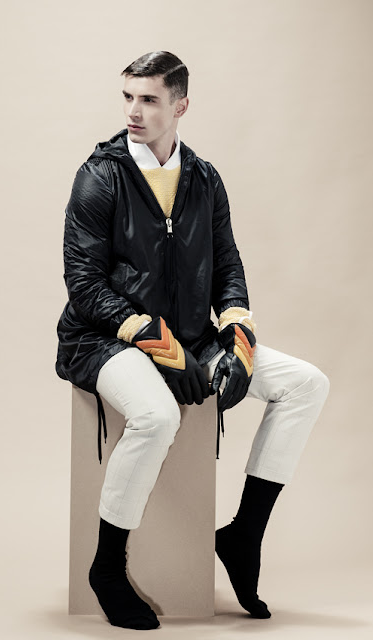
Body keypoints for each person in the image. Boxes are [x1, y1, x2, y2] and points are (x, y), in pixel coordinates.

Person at [55, 51, 330, 630]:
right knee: (157, 415)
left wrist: (238, 339)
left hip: (191, 335)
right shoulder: (100, 175)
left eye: (149, 99)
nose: (133, 111)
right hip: (102, 338)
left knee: (307, 384)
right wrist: (159, 345)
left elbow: (227, 264)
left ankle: (242, 536)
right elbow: (83, 283)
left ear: (180, 106)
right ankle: (107, 568)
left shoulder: (204, 179)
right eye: (128, 97)